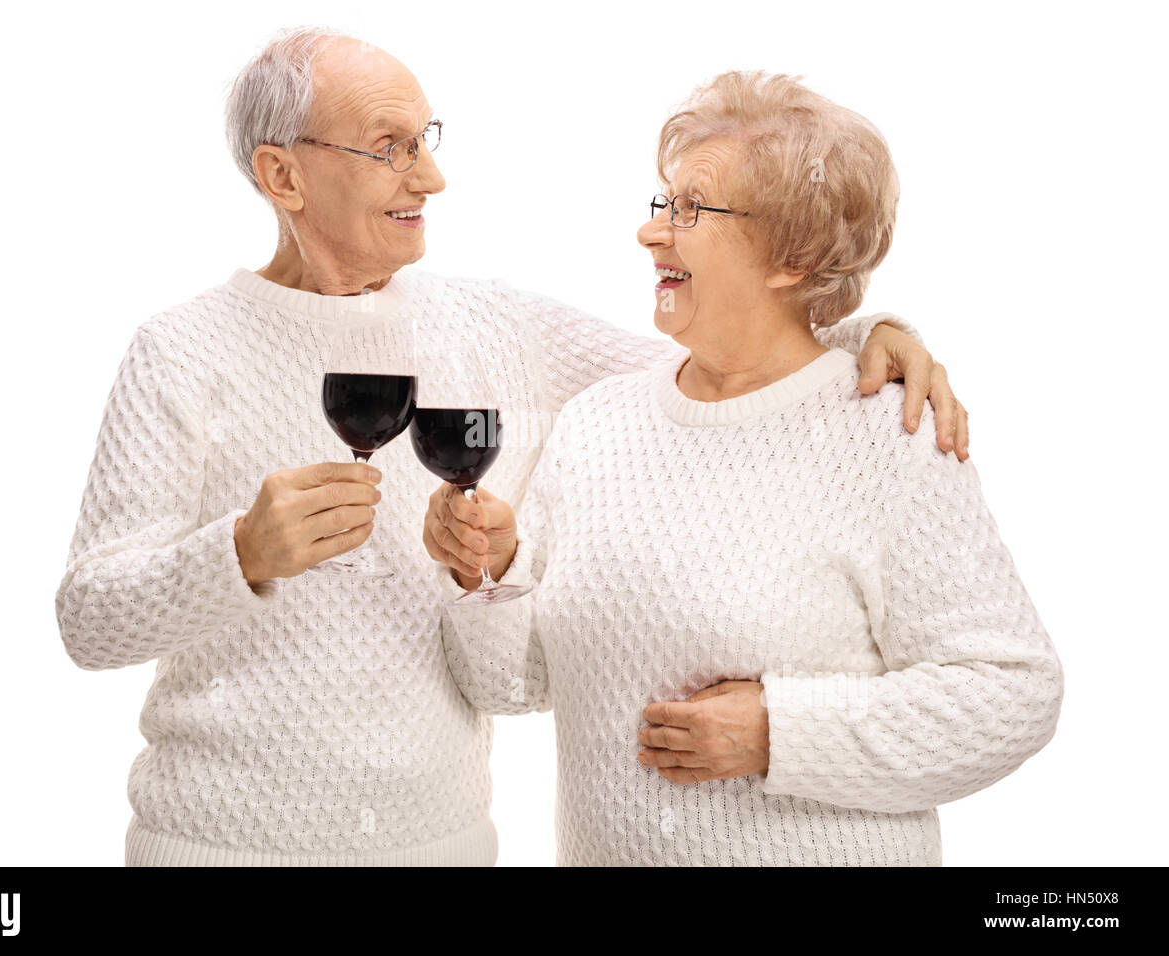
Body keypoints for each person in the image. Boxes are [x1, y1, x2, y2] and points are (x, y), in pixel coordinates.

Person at [56, 28, 965, 867]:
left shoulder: (497, 326)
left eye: (428, 138)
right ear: (283, 176)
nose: (431, 178)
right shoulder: (182, 352)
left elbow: (734, 358)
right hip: (219, 850)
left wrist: (869, 330)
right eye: (391, 147)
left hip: (444, 847)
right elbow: (89, 621)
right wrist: (241, 555)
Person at [425, 70, 1061, 866]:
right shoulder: (598, 424)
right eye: (664, 204)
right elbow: (517, 685)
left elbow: (1012, 692)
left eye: (691, 209)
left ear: (791, 257)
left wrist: (781, 734)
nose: (651, 233)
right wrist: (488, 571)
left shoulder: (888, 434)